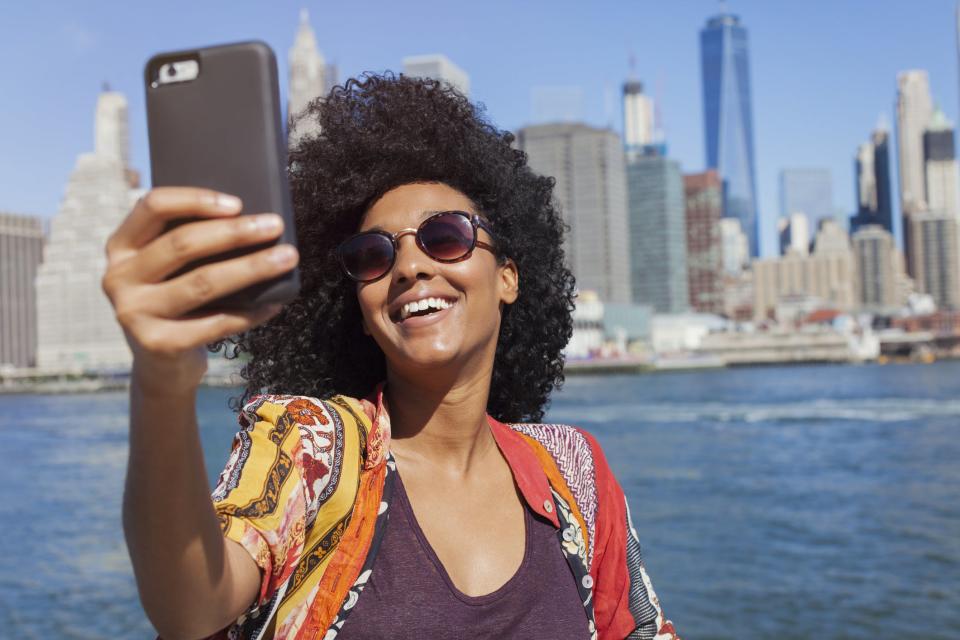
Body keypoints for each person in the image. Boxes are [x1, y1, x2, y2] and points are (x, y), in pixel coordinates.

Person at [103, 73, 680, 640]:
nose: (408, 267)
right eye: (373, 255)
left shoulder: (575, 473)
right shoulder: (310, 448)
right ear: (358, 306)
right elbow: (192, 606)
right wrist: (162, 378)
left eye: (445, 236)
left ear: (507, 276)